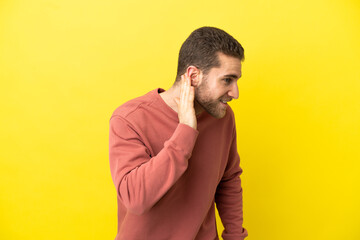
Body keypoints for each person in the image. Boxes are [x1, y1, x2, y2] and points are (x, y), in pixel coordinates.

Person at [109, 26, 248, 240]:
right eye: (227, 80)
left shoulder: (223, 118)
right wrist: (185, 130)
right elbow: (136, 199)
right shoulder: (129, 119)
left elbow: (228, 180)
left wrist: (235, 235)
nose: (235, 93)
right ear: (193, 75)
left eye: (237, 80)